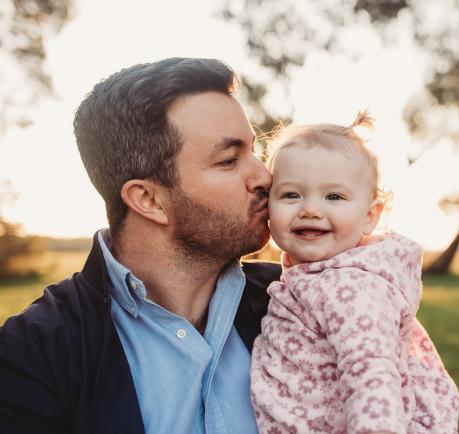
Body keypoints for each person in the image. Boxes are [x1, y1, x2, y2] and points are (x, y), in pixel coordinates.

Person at [0, 58, 281, 434]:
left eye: (255, 152)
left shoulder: (297, 301)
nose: (264, 176)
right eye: (229, 160)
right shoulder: (32, 355)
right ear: (149, 200)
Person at [250, 112, 459, 434]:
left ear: (370, 216)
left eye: (334, 196)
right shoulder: (313, 278)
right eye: (291, 194)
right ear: (268, 205)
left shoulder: (351, 286)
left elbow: (371, 375)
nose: (310, 209)